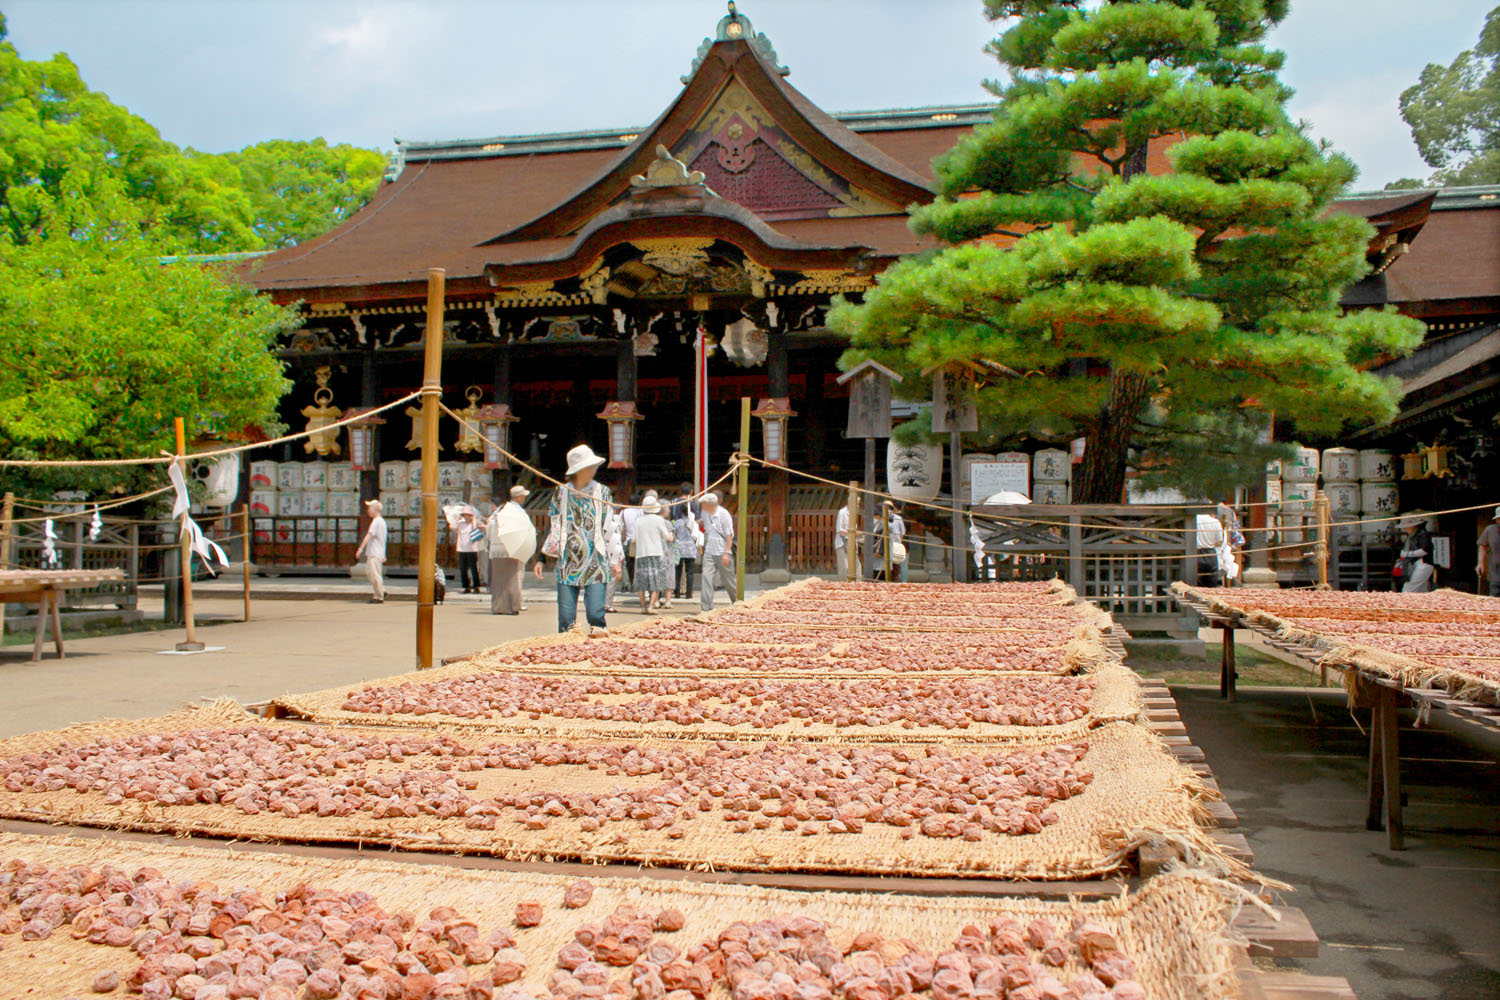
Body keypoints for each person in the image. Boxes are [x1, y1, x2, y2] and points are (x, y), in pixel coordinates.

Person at [536, 444, 617, 633]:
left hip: (596, 558)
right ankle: (566, 652)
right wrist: (541, 557)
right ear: (579, 470)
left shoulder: (602, 492)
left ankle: (598, 649)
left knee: (596, 613)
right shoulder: (561, 492)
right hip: (568, 559)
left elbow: (611, 526)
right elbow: (553, 524)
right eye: (590, 467)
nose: (593, 470)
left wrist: (616, 559)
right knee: (566, 619)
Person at [486, 485, 535, 615]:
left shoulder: (502, 510)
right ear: (518, 497)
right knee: (512, 579)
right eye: (523, 495)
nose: (524, 498)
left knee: (499, 581)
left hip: (497, 548)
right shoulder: (516, 511)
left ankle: (499, 607)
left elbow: (490, 526)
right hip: (511, 547)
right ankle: (511, 606)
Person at [631, 498, 675, 614]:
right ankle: (650, 606)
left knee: (641, 581)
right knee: (656, 580)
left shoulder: (638, 521)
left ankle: (642, 606)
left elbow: (633, 539)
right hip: (656, 552)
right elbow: (667, 536)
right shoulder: (658, 520)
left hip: (641, 553)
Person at [698, 492, 737, 610]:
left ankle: (737, 603)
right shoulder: (704, 513)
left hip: (722, 550)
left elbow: (729, 534)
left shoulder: (724, 514)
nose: (702, 506)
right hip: (710, 549)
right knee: (706, 577)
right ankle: (706, 607)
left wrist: (726, 552)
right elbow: (705, 527)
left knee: (729, 580)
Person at [354, 499, 387, 603]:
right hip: (377, 552)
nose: (368, 510)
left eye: (370, 508)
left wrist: (360, 548)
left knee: (374, 574)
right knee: (371, 572)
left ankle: (379, 596)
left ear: (375, 509)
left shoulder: (376, 522)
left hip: (374, 552)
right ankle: (381, 590)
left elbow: (369, 535)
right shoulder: (380, 521)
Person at [670, 483, 700, 600]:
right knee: (690, 572)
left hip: (678, 546)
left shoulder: (674, 503)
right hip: (690, 547)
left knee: (677, 571)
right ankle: (688, 593)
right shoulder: (693, 506)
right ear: (691, 491)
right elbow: (697, 531)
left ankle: (677, 592)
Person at [1397, 515, 1435, 593]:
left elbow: (1425, 551)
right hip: (1416, 563)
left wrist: (1408, 554)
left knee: (1409, 588)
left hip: (1424, 564)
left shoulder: (1423, 535)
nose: (1406, 529)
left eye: (1407, 527)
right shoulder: (1412, 537)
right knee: (1422, 590)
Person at [873, 500, 906, 582]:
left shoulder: (888, 523)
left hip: (889, 552)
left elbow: (901, 533)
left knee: (892, 574)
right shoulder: (877, 522)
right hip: (879, 556)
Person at [455, 510, 482, 594]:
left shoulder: (474, 523)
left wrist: (473, 520)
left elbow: (476, 529)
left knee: (473, 568)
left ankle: (476, 586)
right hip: (462, 548)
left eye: (468, 515)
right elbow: (452, 527)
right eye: (465, 515)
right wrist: (457, 519)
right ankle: (466, 586)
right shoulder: (460, 524)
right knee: (463, 568)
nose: (466, 517)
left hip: (472, 549)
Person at [833, 501, 860, 580]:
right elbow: (839, 530)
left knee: (857, 566)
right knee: (844, 568)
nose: (858, 505)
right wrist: (853, 533)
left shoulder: (853, 513)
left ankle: (858, 584)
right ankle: (843, 586)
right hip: (842, 543)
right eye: (857, 503)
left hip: (852, 542)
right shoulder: (842, 512)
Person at [1477, 507, 1500, 597]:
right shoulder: (1490, 530)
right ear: (1497, 520)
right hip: (1495, 572)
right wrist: (1480, 563)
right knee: (1494, 599)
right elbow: (1482, 546)